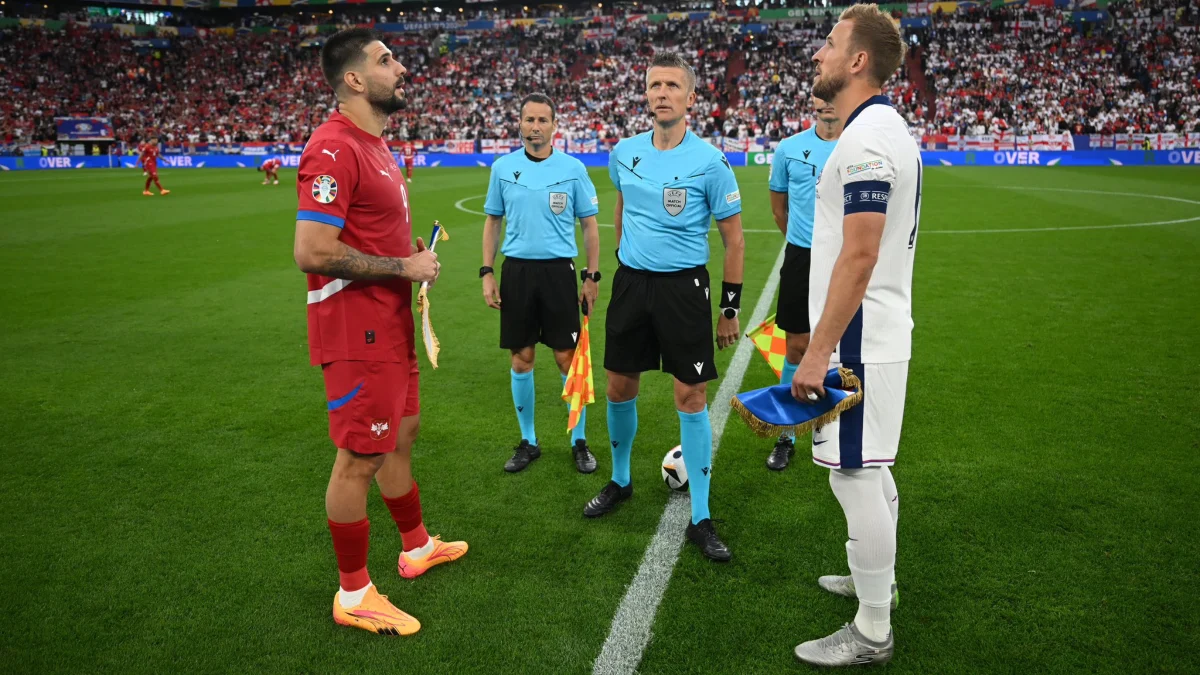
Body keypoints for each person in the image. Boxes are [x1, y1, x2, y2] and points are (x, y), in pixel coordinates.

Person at [292, 28, 467, 637]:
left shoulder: (379, 146)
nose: (401, 67)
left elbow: (368, 234)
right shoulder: (334, 149)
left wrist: (408, 256)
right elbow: (311, 251)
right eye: (385, 60)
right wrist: (403, 266)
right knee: (359, 458)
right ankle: (354, 593)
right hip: (355, 331)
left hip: (388, 323)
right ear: (354, 80)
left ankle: (416, 546)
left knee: (403, 434)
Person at [790, 4, 921, 666]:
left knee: (854, 476)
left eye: (832, 43)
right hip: (876, 333)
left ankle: (872, 627)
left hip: (859, 340)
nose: (819, 54)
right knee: (872, 467)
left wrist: (817, 351)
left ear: (859, 61)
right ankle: (881, 579)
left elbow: (860, 255)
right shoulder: (882, 128)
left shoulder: (868, 141)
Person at [583, 52, 745, 563]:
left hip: (684, 290)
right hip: (632, 285)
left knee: (690, 395)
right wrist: (620, 256)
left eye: (672, 85)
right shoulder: (625, 152)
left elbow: (734, 240)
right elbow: (622, 205)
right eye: (654, 84)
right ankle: (621, 480)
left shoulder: (710, 161)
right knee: (617, 384)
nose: (661, 93)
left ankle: (700, 516)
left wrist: (729, 307)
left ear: (690, 98)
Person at [481, 92, 602, 474]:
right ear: (519, 123)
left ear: (554, 125)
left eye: (542, 120)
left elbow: (589, 225)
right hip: (516, 272)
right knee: (522, 357)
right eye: (529, 119)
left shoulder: (573, 169)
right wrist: (487, 272)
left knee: (568, 359)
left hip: (559, 273)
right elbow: (492, 222)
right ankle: (529, 441)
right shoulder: (502, 168)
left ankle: (579, 441)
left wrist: (591, 275)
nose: (535, 126)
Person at [765, 95, 843, 471]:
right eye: (821, 96)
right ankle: (787, 434)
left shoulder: (857, 146)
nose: (827, 103)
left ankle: (838, 425)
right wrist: (801, 241)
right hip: (802, 256)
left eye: (833, 96)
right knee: (796, 346)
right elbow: (778, 208)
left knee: (846, 343)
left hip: (845, 259)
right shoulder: (789, 149)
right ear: (812, 101)